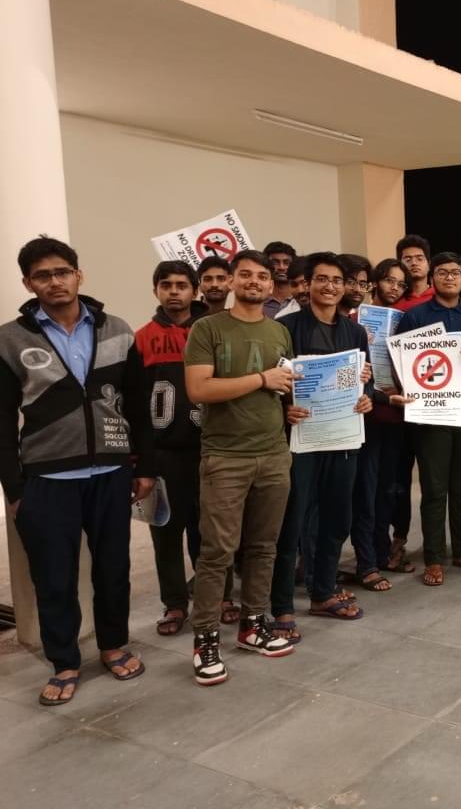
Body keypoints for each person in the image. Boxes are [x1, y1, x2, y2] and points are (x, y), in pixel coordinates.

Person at [0, 236, 155, 705]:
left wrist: (144, 465)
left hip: (111, 472)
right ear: (28, 283)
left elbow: (139, 406)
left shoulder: (116, 330)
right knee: (53, 577)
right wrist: (15, 488)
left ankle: (113, 645)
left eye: (62, 272)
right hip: (47, 478)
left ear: (78, 275)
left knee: (113, 568)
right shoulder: (10, 339)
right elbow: (2, 421)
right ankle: (64, 661)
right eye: (42, 276)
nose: (55, 282)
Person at [184, 249, 296, 685]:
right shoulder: (207, 328)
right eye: (245, 274)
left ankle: (253, 624)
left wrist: (295, 405)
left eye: (262, 276)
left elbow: (283, 389)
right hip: (225, 457)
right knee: (217, 553)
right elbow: (198, 389)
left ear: (271, 284)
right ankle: (206, 639)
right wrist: (261, 379)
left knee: (264, 547)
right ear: (230, 281)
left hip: (274, 453)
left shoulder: (279, 331)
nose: (254, 282)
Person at [130, 261, 237, 636]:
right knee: (165, 533)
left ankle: (220, 597)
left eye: (181, 285)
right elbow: (134, 404)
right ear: (156, 290)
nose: (174, 291)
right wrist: (140, 459)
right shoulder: (142, 338)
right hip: (162, 453)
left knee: (212, 532)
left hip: (210, 449)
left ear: (195, 290)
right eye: (166, 285)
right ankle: (174, 603)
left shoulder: (215, 331)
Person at [271, 253, 373, 640]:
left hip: (343, 436)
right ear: (307, 284)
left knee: (337, 517)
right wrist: (284, 408)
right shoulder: (286, 327)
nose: (330, 286)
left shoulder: (355, 332)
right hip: (301, 439)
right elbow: (275, 381)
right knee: (292, 523)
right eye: (322, 279)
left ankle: (323, 592)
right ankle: (282, 606)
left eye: (337, 280)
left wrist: (365, 397)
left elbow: (363, 381)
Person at [396, 252, 461, 586]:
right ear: (432, 277)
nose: (449, 277)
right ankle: (434, 558)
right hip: (431, 415)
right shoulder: (415, 316)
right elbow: (400, 363)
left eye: (455, 273)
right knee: (434, 489)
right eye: (442, 272)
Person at [351, 258, 416, 581]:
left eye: (401, 284)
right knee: (366, 491)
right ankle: (367, 561)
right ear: (375, 282)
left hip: (397, 417)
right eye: (390, 280)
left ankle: (383, 552)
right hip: (366, 417)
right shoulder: (354, 321)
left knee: (388, 490)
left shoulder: (406, 322)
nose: (395, 288)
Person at [396, 234, 434, 311]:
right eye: (408, 260)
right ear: (399, 265)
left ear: (429, 264)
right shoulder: (394, 298)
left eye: (419, 259)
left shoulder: (441, 297)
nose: (414, 263)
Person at [262, 241, 297, 318]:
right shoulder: (257, 300)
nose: (281, 267)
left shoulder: (301, 300)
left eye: (286, 263)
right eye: (275, 262)